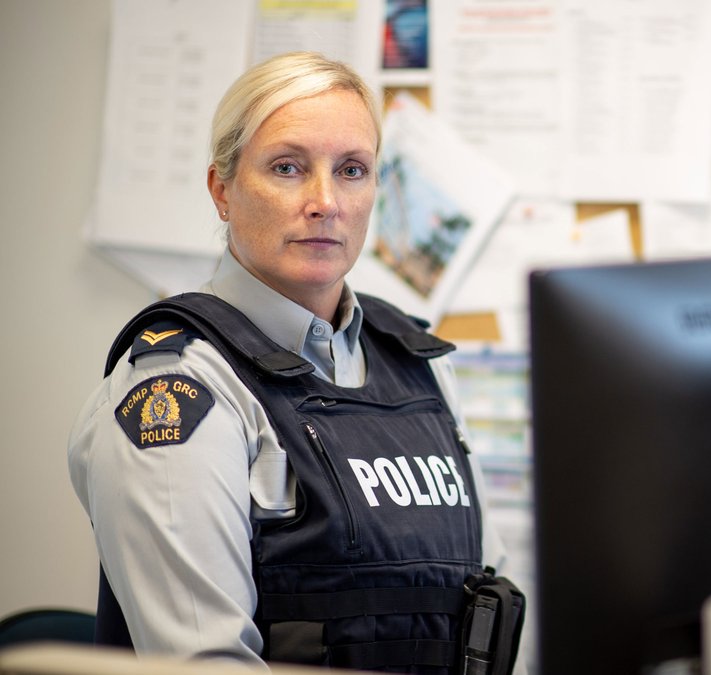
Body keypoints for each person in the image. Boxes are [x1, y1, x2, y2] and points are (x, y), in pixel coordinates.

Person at [68, 51, 523, 673]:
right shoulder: (181, 389)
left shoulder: (418, 363)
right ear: (222, 189)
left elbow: (491, 600)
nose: (325, 201)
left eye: (353, 170)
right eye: (287, 167)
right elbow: (208, 663)